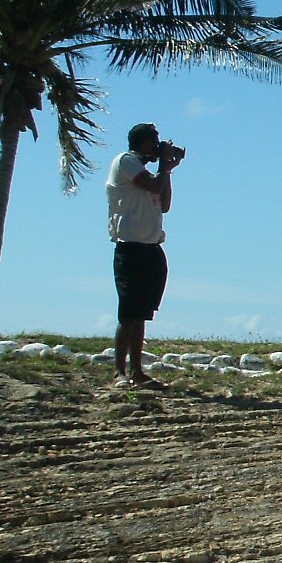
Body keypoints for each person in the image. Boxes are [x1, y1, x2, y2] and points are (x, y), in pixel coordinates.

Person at [105, 122, 180, 388]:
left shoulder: (151, 173)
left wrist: (167, 169)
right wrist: (164, 167)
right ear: (144, 142)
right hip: (130, 247)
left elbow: (165, 204)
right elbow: (154, 187)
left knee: (141, 314)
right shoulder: (126, 161)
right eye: (154, 141)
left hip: (151, 248)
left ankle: (137, 371)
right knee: (128, 313)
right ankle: (119, 371)